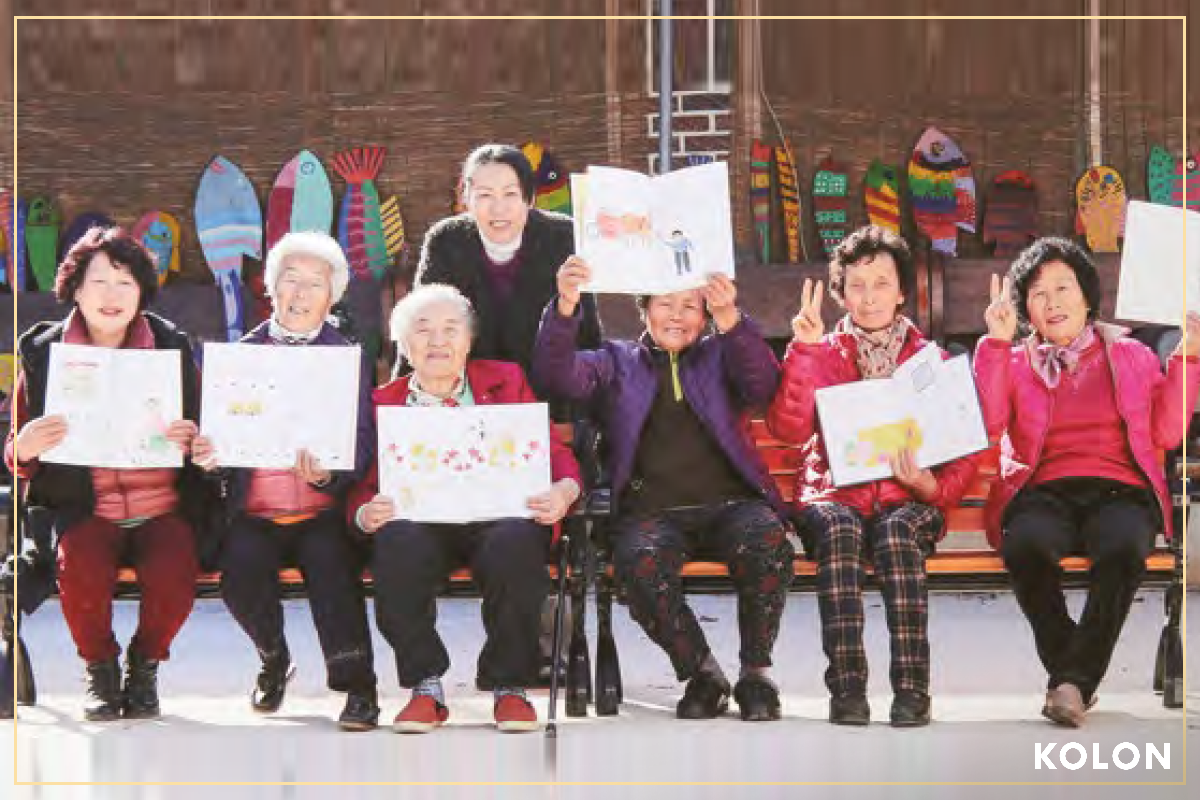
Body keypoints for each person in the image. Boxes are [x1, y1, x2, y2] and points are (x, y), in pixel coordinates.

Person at [534, 259, 793, 722]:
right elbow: (556, 376)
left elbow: (763, 385)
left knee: (768, 542)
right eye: (665, 304)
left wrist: (731, 318)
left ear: (705, 313)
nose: (677, 316)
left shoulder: (721, 352)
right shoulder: (616, 361)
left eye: (690, 306)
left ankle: (756, 673)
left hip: (731, 505)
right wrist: (566, 306)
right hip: (651, 512)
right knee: (638, 561)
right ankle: (703, 672)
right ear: (645, 309)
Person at [974, 236, 1200, 727]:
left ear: (1087, 296)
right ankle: (1075, 680)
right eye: (1038, 293)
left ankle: (1071, 683)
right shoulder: (1013, 361)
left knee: (1123, 547)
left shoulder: (1133, 354)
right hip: (1043, 490)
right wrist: (995, 345)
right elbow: (988, 424)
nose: (1052, 302)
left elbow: (1166, 433)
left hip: (1119, 490)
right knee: (1025, 545)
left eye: (1063, 288)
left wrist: (1189, 357)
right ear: (1025, 308)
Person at [767, 225, 981, 728]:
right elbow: (787, 430)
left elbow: (966, 451)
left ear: (902, 291)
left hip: (907, 499)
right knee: (839, 530)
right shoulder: (821, 351)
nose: (869, 298)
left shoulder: (931, 361)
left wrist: (932, 488)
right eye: (856, 286)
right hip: (834, 496)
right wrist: (804, 352)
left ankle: (912, 689)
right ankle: (847, 690)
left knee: (897, 532)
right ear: (840, 294)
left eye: (881, 283)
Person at [350, 283, 581, 733]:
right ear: (404, 344)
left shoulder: (505, 380)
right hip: (422, 524)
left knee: (516, 541)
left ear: (469, 340)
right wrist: (364, 512)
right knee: (396, 542)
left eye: (450, 329)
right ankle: (425, 687)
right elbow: (361, 485)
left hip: (498, 517)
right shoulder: (383, 404)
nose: (437, 341)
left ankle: (509, 685)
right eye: (423, 329)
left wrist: (565, 490)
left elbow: (554, 452)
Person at [416, 143, 603, 679]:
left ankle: (541, 637)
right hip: (467, 403)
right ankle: (513, 644)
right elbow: (422, 325)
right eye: (483, 195)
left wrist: (577, 415)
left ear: (529, 199)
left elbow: (586, 337)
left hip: (542, 402)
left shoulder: (562, 237)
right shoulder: (447, 240)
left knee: (531, 515)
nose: (497, 208)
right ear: (466, 197)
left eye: (509, 195)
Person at [4, 226, 202, 721]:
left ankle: (145, 665)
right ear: (75, 288)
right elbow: (17, 451)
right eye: (98, 282)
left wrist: (195, 441)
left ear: (142, 293)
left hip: (161, 506)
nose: (111, 296)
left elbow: (208, 436)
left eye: (125, 283)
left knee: (174, 570)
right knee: (81, 567)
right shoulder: (46, 356)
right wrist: (25, 447)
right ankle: (100, 670)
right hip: (83, 506)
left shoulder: (171, 349)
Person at [192, 231, 379, 731]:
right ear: (270, 288)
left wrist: (331, 473)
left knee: (333, 567)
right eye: (290, 280)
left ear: (332, 296)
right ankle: (273, 658)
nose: (300, 293)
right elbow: (217, 440)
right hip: (255, 511)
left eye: (315, 284)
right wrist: (210, 457)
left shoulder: (347, 359)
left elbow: (363, 440)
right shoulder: (239, 358)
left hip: (322, 509)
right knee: (240, 572)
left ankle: (358, 686)